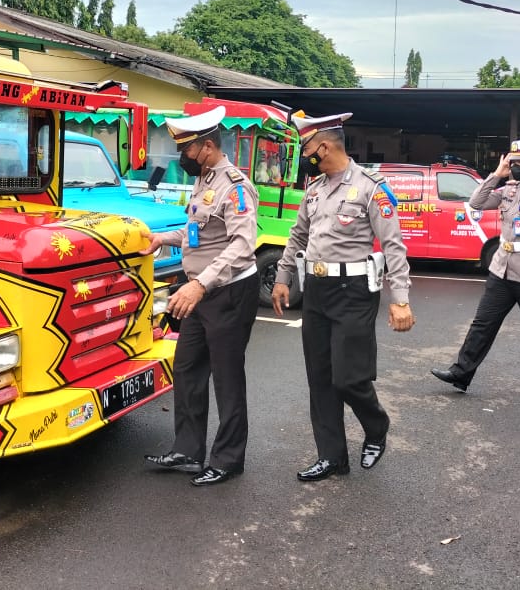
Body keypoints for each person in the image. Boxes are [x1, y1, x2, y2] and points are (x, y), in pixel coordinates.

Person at [271, 112, 415, 483]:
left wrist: (400, 298)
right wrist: (283, 276)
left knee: (349, 377)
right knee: (319, 378)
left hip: (354, 292)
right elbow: (298, 236)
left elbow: (394, 245)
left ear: (323, 146)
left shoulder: (370, 187)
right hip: (317, 290)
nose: (303, 154)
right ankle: (332, 457)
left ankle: (376, 424)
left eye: (305, 147)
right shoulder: (315, 189)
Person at [142, 105, 260, 486]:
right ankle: (188, 450)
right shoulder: (205, 180)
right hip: (201, 291)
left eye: (187, 151)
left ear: (207, 147)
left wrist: (199, 284)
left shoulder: (236, 186)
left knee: (226, 376)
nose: (183, 158)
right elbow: (200, 233)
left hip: (227, 291)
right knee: (188, 368)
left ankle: (227, 459)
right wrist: (164, 238)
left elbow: (243, 244)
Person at [430, 139, 520, 403]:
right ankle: (461, 373)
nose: (515, 166)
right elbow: (476, 202)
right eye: (513, 161)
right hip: (502, 268)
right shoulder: (510, 189)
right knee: (483, 324)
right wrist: (497, 174)